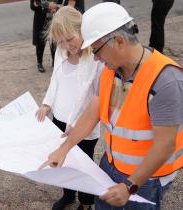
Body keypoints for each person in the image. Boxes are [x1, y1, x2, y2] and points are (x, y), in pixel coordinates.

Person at [41, 2, 183, 210]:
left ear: (118, 41)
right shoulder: (110, 71)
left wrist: (130, 185)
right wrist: (64, 149)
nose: (95, 57)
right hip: (111, 166)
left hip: (147, 179)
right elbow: (93, 112)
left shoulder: (166, 81)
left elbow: (165, 144)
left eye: (96, 50)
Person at [36, 6, 102, 210]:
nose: (66, 45)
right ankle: (68, 194)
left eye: (70, 39)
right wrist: (47, 103)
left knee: (83, 166)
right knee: (64, 160)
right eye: (61, 41)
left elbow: (97, 99)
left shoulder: (96, 59)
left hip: (84, 124)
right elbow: (55, 79)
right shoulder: (62, 52)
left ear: (82, 30)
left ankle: (86, 203)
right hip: (60, 117)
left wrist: (77, 123)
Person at [30, 0, 48, 72]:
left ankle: (55, 61)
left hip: (53, 15)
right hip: (40, 18)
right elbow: (32, 7)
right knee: (40, 42)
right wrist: (36, 4)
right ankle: (39, 63)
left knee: (54, 41)